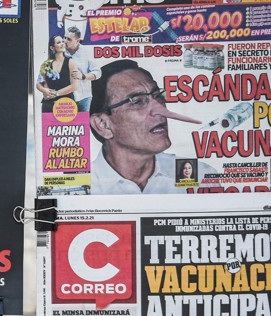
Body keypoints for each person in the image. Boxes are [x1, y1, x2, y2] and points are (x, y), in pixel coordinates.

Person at [89, 60, 207, 194]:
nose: (160, 109)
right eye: (137, 101)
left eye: (158, 96)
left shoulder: (200, 175)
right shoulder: (80, 187)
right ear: (103, 125)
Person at [36, 35, 79, 113]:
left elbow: (74, 86)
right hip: (49, 104)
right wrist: (44, 90)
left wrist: (56, 93)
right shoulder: (45, 64)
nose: (62, 44)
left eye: (63, 41)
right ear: (52, 47)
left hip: (67, 105)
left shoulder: (71, 62)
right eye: (59, 42)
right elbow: (38, 84)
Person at [64, 26, 101, 112]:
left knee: (83, 124)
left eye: (69, 39)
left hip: (83, 97)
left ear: (77, 41)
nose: (65, 41)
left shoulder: (87, 52)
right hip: (65, 96)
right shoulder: (60, 51)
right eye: (65, 37)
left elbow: (97, 72)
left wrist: (83, 76)